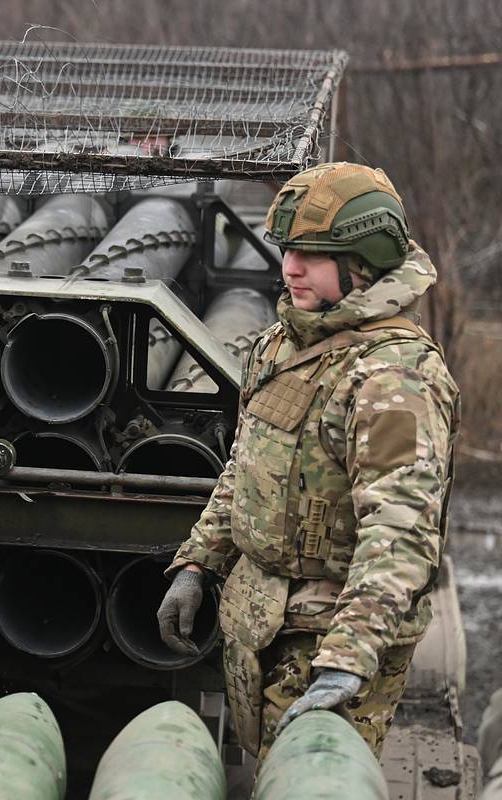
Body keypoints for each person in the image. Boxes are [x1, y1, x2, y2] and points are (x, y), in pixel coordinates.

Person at [156, 162, 459, 760]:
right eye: (288, 250)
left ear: (362, 262)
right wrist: (197, 563)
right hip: (261, 622)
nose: (290, 268)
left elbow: (400, 534)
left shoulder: (393, 377)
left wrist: (347, 660)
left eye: (312, 256)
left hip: (331, 644)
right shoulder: (286, 342)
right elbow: (248, 465)